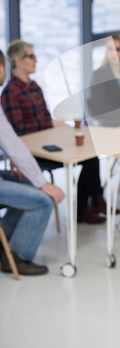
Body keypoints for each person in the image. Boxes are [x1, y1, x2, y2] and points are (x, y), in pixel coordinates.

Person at [1, 39, 107, 224]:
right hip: (32, 151)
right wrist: (49, 124)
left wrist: (52, 123)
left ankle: (88, 205)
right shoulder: (10, 92)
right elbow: (17, 129)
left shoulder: (34, 87)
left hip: (48, 142)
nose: (36, 60)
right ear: (17, 61)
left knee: (90, 156)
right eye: (31, 56)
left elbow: (44, 117)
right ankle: (93, 203)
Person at [0, 50, 65, 275]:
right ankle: (16, 258)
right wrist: (42, 183)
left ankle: (4, 246)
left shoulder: (33, 85)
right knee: (43, 200)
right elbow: (12, 141)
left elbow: (11, 142)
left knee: (27, 185)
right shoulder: (9, 92)